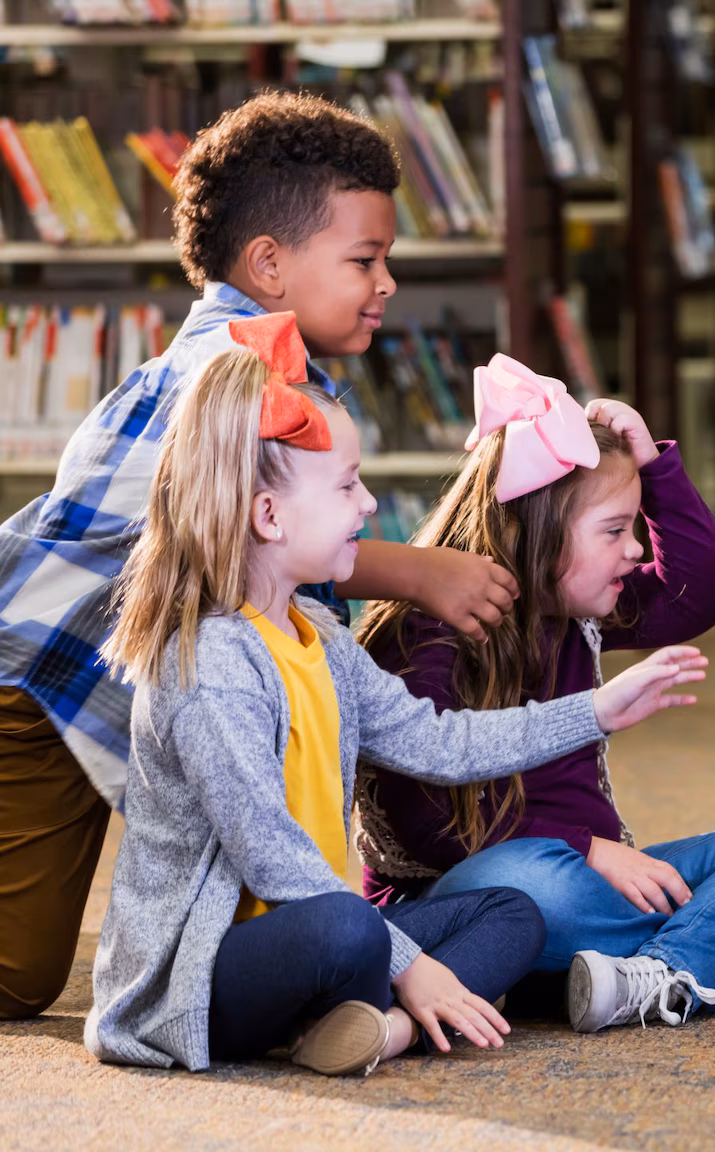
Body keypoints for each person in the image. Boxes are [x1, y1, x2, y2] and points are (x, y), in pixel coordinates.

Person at [0, 92, 517, 1020]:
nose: (387, 281)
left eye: (386, 258)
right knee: (13, 978)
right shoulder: (229, 376)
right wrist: (417, 570)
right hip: (37, 683)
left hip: (120, 675)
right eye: (364, 260)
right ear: (270, 265)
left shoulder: (279, 371)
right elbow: (230, 527)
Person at [86, 335, 703, 1075]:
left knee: (510, 912)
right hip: (198, 981)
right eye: (347, 487)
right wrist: (411, 962)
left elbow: (443, 745)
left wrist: (595, 711)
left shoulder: (321, 637)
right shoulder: (212, 661)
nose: (370, 504)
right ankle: (389, 1005)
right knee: (349, 926)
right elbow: (273, 859)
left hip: (309, 934)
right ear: (270, 515)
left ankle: (383, 1030)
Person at [356, 358, 715, 1033]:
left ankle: (652, 972)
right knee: (540, 887)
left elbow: (703, 590)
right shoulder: (423, 635)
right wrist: (584, 848)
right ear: (532, 536)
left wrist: (655, 468)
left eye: (635, 524)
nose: (636, 548)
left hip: (595, 880)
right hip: (475, 901)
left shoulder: (579, 610)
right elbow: (426, 823)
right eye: (614, 531)